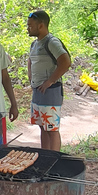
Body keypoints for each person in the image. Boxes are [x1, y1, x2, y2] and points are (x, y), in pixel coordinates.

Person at [27, 10, 71, 151]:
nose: (28, 28)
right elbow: (30, 61)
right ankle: (45, 157)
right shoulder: (35, 44)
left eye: (30, 25)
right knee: (42, 127)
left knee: (51, 128)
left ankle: (54, 160)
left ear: (41, 26)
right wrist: (31, 77)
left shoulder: (52, 42)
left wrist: (50, 81)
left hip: (50, 91)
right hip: (37, 90)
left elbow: (65, 62)